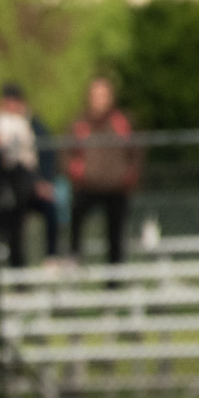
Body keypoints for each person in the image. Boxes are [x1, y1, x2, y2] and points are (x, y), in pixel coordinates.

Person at [0, 83, 60, 268]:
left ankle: (51, 257)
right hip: (7, 189)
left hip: (32, 185)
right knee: (11, 220)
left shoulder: (35, 126)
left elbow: (48, 155)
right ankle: (15, 272)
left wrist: (45, 182)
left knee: (50, 208)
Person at [65, 77, 140, 264]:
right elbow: (66, 153)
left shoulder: (121, 122)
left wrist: (130, 175)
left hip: (116, 187)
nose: (99, 100)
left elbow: (136, 152)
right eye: (96, 96)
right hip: (88, 185)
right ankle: (74, 260)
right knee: (75, 216)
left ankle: (114, 282)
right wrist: (75, 171)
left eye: (103, 95)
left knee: (115, 234)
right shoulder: (79, 123)